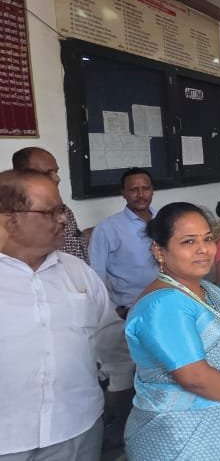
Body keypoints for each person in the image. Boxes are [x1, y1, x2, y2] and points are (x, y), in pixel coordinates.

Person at [123, 203, 220, 460]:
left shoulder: (208, 290)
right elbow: (195, 377)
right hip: (182, 437)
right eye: (189, 241)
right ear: (159, 250)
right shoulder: (163, 304)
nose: (204, 249)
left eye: (208, 239)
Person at [0, 170, 127, 459]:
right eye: (50, 212)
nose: (63, 219)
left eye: (62, 210)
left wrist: (119, 387)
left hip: (76, 428)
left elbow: (108, 334)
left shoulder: (76, 271)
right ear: (10, 218)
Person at [90, 168, 158, 317]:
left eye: (145, 188)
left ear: (152, 190)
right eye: (133, 190)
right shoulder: (108, 228)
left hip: (168, 300)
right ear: (123, 193)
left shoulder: (165, 220)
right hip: (131, 308)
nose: (141, 195)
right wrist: (113, 310)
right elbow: (96, 274)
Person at [12, 147, 87, 261]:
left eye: (55, 172)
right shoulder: (13, 217)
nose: (57, 178)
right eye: (47, 173)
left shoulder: (64, 210)